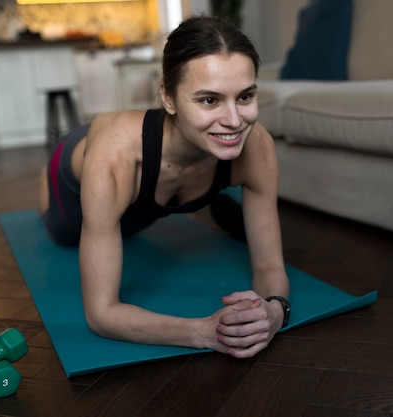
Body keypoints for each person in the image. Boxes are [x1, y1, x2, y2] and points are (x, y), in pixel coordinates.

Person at [38, 15, 290, 359]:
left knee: (130, 222)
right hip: (75, 174)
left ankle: (212, 203)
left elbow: (269, 267)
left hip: (144, 192)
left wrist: (274, 313)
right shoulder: (115, 156)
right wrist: (203, 332)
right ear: (168, 98)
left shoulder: (256, 145)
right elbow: (101, 314)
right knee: (65, 234)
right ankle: (49, 177)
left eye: (244, 96)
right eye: (209, 100)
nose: (234, 121)